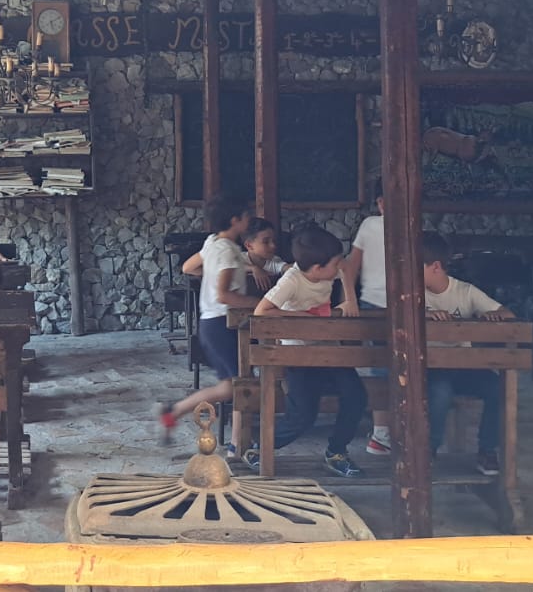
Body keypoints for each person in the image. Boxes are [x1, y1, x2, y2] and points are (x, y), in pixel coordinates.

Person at [243, 224, 366, 478]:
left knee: (356, 396)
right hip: (297, 355)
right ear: (317, 268)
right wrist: (303, 317)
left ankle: (336, 451)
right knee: (303, 415)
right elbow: (261, 311)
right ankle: (260, 448)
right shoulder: (292, 280)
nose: (338, 266)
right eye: (333, 264)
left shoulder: (328, 269)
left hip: (329, 349)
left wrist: (350, 299)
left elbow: (345, 267)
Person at [158, 194, 255, 442]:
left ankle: (174, 412)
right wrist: (260, 304)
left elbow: (188, 268)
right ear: (234, 220)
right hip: (222, 324)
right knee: (239, 385)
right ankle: (236, 444)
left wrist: (211, 274)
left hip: (211, 323)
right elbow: (224, 295)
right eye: (246, 216)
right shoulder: (228, 250)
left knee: (233, 385)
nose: (249, 219)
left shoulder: (213, 242)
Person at [419, 231, 515, 477]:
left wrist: (491, 315)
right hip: (430, 368)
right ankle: (428, 450)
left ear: (435, 267)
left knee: (497, 388)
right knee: (440, 393)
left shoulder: (465, 292)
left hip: (463, 366)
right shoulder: (411, 295)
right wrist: (424, 315)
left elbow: (507, 314)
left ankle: (487, 450)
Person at [338, 182, 392, 455]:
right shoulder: (414, 226)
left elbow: (350, 268)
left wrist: (348, 299)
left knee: (381, 366)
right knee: (393, 367)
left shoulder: (370, 225)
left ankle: (382, 433)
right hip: (400, 306)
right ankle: (388, 432)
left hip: (375, 305)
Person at [180, 217, 287, 294]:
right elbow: (191, 269)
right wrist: (252, 268)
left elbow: (283, 267)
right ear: (249, 245)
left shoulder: (274, 260)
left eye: (273, 241)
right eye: (266, 242)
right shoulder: (235, 256)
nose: (273, 246)